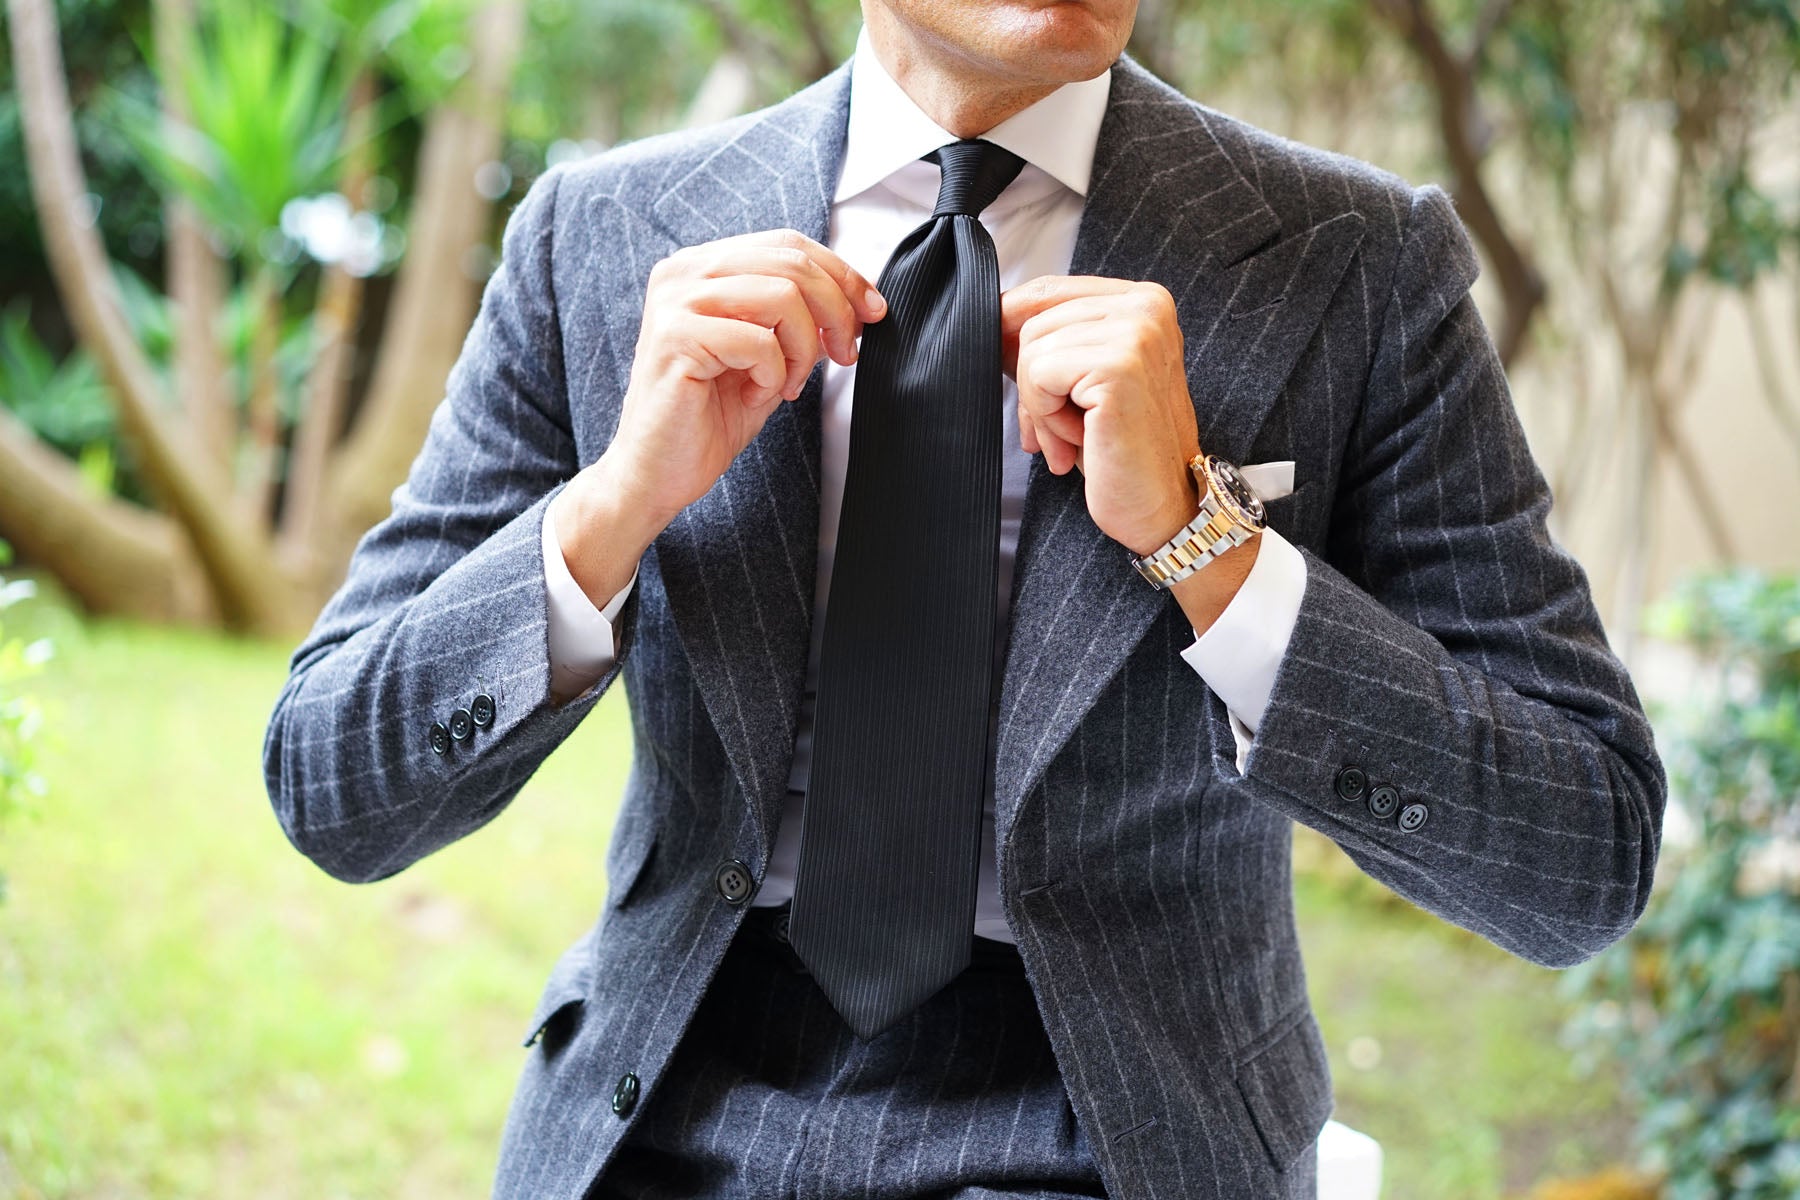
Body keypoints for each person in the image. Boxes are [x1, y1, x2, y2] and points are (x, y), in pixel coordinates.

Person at [261, 1, 1667, 1196]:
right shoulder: (601, 236)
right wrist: (615, 506)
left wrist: (1207, 545)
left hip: (1118, 1128)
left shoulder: (1354, 264)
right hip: (667, 1106)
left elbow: (1579, 857)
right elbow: (334, 787)